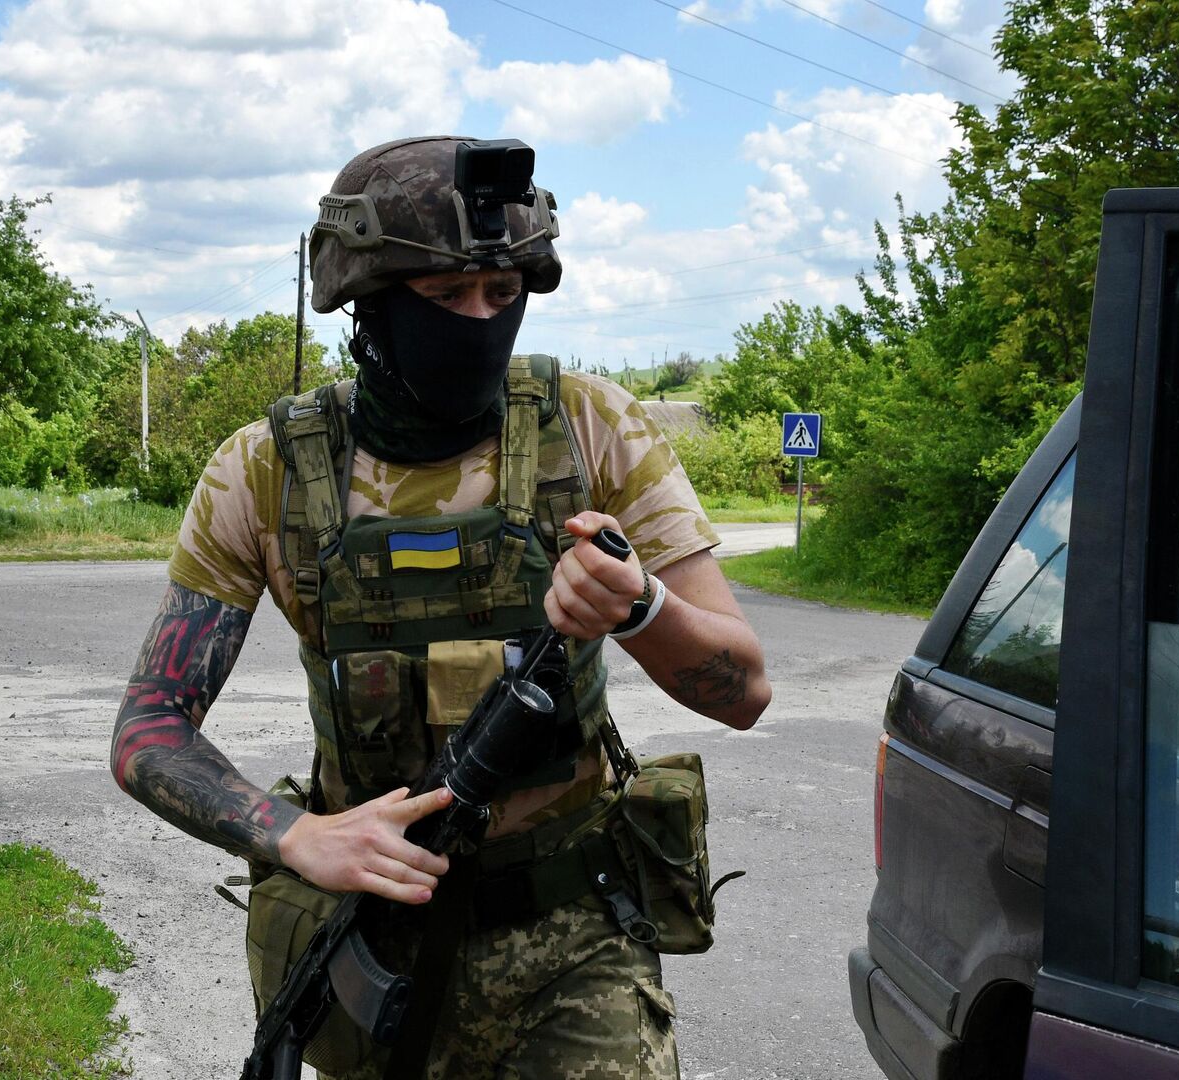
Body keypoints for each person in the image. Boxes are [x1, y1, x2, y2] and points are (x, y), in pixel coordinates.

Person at [110, 135, 769, 1079]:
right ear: (367, 308)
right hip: (376, 944)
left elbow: (742, 690)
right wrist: (297, 835)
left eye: (503, 296)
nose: (480, 321)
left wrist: (641, 606)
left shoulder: (590, 429)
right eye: (444, 297)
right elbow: (148, 728)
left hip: (574, 940)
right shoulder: (265, 470)